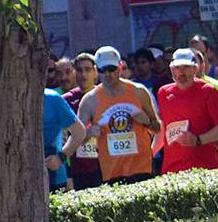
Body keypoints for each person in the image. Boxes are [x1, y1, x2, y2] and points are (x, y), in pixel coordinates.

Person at [67, 46, 160, 185]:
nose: (108, 74)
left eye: (112, 69)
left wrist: (147, 122)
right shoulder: (90, 100)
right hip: (111, 172)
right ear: (97, 71)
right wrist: (89, 133)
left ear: (120, 67)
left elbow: (157, 128)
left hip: (141, 167)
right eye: (103, 70)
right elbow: (77, 138)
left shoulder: (138, 91)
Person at [156, 48, 218, 175]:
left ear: (195, 69)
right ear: (171, 69)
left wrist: (198, 140)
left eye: (186, 67)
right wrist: (150, 153)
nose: (181, 72)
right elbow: (164, 128)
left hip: (205, 168)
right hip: (172, 169)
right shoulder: (163, 93)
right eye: (177, 67)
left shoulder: (208, 91)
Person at [39, 59, 79, 192]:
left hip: (53, 176)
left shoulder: (52, 98)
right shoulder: (9, 102)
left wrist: (61, 157)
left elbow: (80, 132)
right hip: (20, 178)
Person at [64, 52, 103, 190]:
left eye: (87, 69)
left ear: (95, 72)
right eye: (79, 70)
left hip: (104, 164)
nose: (83, 74)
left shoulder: (106, 95)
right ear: (74, 73)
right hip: (78, 168)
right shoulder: (66, 100)